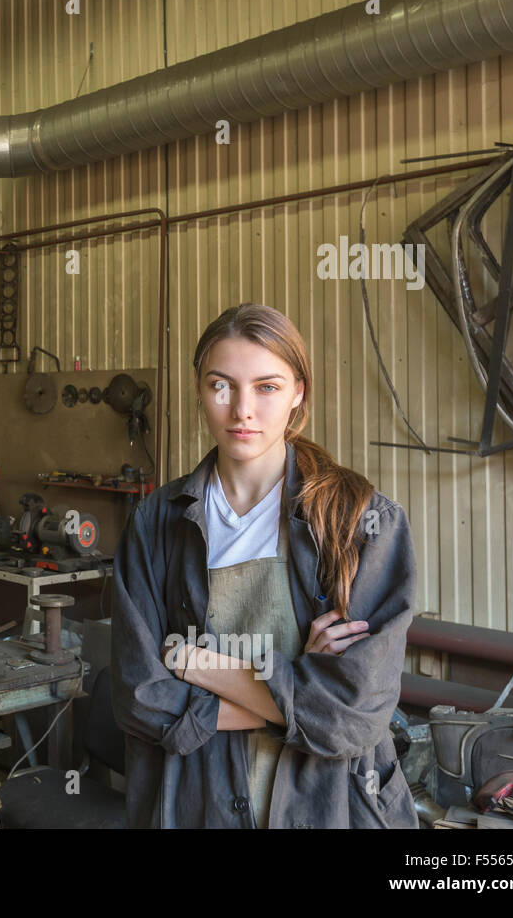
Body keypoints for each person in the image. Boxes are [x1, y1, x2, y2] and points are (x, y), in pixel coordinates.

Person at [111, 303, 419, 828]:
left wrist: (196, 664)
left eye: (267, 387)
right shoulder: (154, 523)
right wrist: (299, 689)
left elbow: (352, 715)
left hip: (329, 806)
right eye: (221, 385)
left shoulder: (359, 522)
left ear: (298, 390)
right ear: (199, 387)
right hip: (193, 803)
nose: (242, 410)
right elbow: (140, 697)